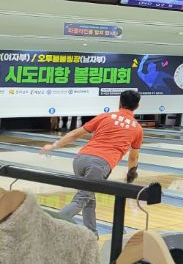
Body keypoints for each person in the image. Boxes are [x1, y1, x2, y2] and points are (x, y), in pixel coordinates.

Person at [40, 89, 143, 233]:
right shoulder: (137, 129)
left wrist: (54, 145)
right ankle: (46, 227)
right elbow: (133, 157)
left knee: (89, 198)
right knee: (81, 199)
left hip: (80, 159)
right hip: (99, 164)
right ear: (137, 106)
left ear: (120, 103)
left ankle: (92, 234)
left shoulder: (105, 116)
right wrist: (131, 175)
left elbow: (76, 134)